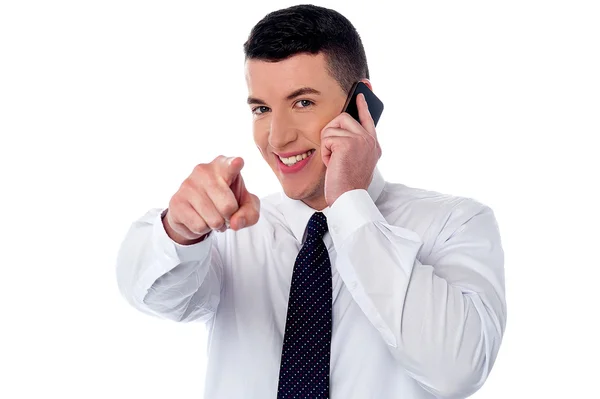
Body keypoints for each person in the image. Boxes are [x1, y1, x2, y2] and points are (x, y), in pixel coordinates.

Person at [115, 4, 506, 399]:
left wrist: (350, 204)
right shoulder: (235, 228)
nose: (277, 139)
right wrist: (179, 231)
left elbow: (458, 369)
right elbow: (149, 294)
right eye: (262, 109)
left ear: (360, 106)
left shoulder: (455, 223)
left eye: (303, 102)